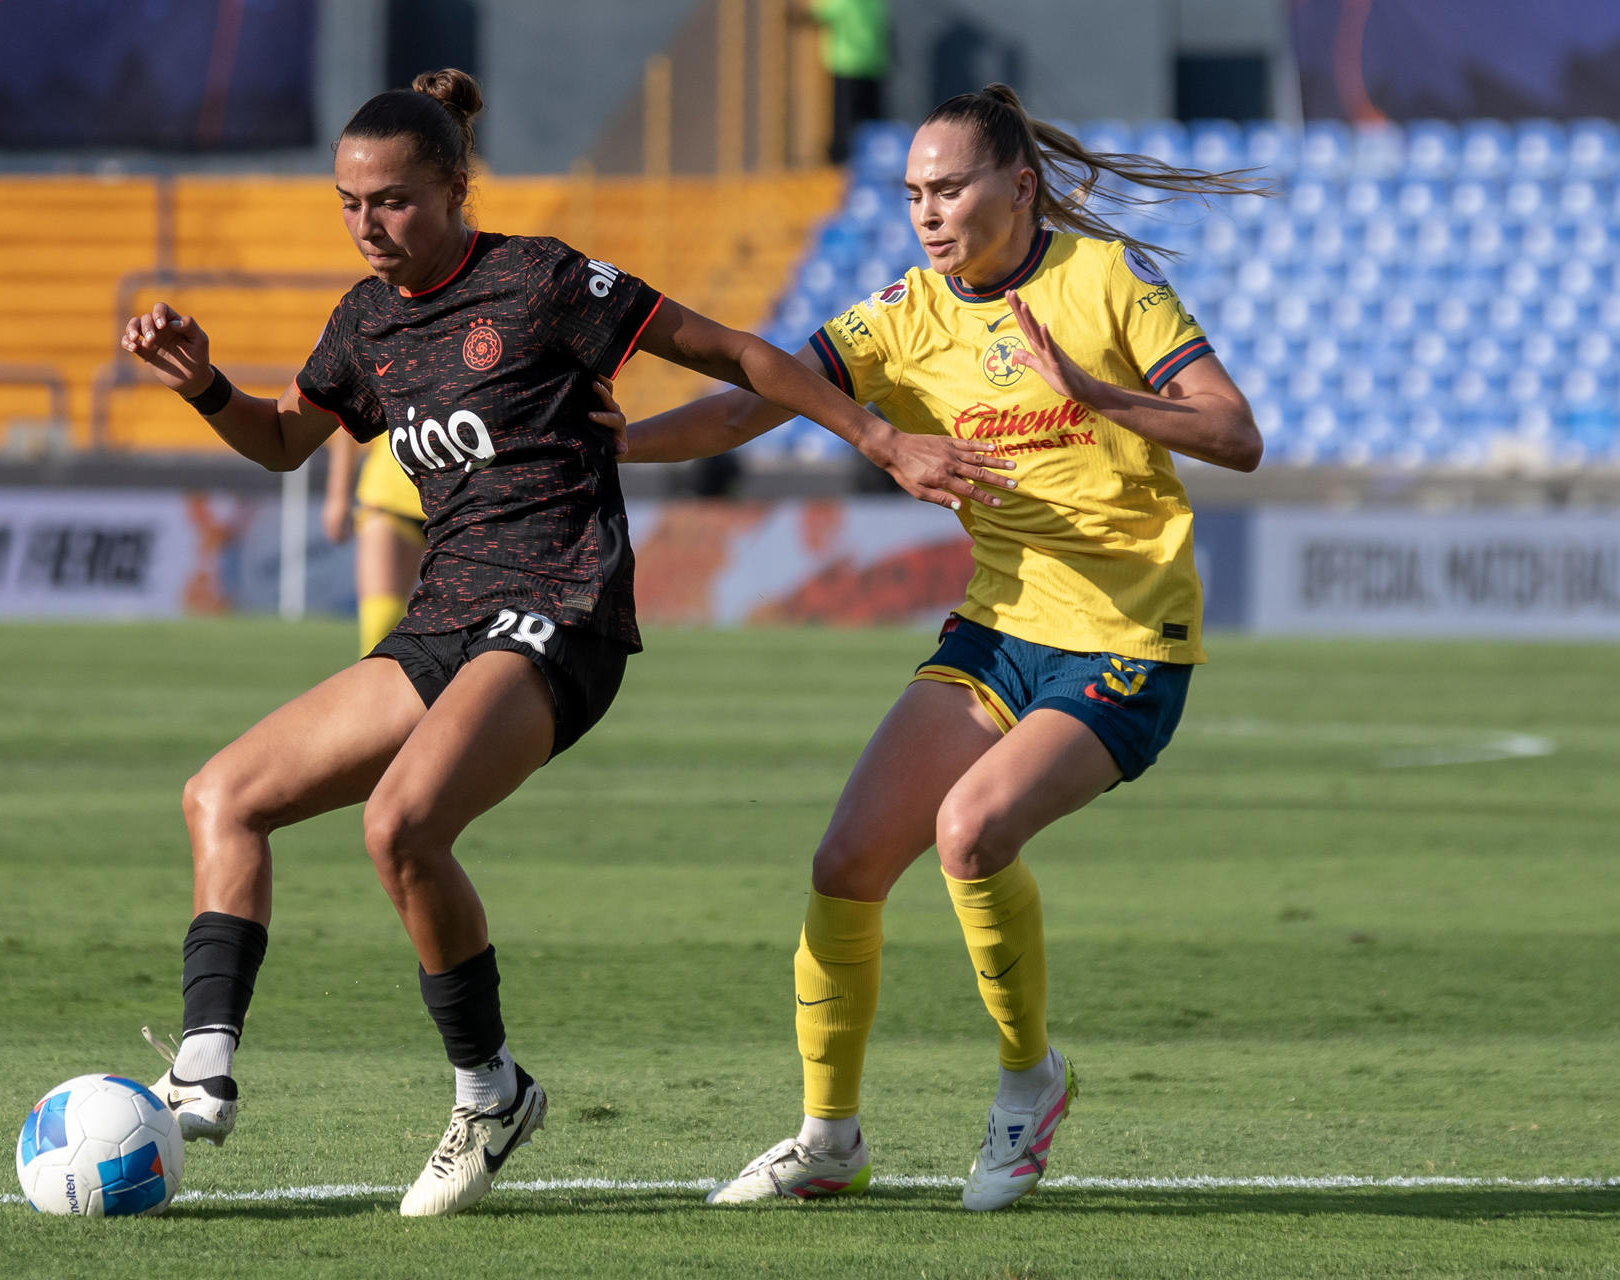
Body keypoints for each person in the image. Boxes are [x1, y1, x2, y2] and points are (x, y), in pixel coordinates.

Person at [120, 68, 993, 1219]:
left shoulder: (538, 280)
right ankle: (205, 1075)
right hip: (445, 620)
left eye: (389, 202)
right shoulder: (364, 321)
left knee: (402, 823)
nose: (367, 226)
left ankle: (485, 1094)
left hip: (562, 609)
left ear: (453, 190)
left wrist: (880, 436)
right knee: (221, 795)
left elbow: (737, 353)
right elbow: (285, 442)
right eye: (347, 203)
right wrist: (206, 386)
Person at [616, 82, 1263, 1209]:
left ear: (1017, 185)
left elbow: (1235, 434)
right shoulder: (901, 316)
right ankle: (829, 1136)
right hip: (1000, 628)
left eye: (949, 187)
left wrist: (1100, 392)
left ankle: (1030, 1080)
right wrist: (603, 446)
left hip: (1127, 635)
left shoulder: (1105, 282)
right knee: (845, 862)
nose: (927, 210)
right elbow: (740, 410)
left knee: (970, 830)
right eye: (913, 191)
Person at [323, 431, 425, 657]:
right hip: (390, 499)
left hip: (465, 505)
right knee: (380, 627)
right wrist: (337, 495)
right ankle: (378, 691)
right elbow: (346, 426)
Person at [803, 0, 892, 164]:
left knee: (845, 118)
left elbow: (817, 14)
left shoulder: (843, 2)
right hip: (874, 63)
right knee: (871, 118)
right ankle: (873, 159)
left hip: (847, 63)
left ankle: (842, 160)